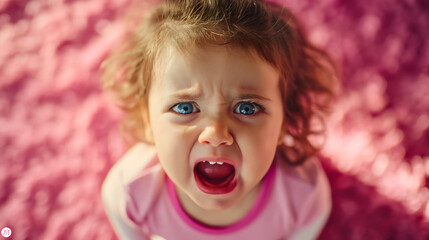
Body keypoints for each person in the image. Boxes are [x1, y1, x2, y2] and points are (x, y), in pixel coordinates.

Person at [101, 0, 337, 239]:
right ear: (148, 121)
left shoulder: (302, 193)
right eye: (185, 108)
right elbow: (116, 207)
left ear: (283, 123)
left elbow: (312, 220)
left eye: (246, 108)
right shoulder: (132, 191)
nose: (216, 133)